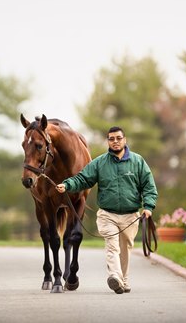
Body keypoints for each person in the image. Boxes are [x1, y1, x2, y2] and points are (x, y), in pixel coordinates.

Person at [56, 126, 158, 294]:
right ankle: (115, 277)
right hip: (107, 214)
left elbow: (149, 186)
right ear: (108, 141)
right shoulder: (100, 162)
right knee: (112, 246)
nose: (115, 141)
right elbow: (83, 178)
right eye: (111, 139)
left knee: (125, 249)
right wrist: (67, 184)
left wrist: (148, 207)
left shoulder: (138, 161)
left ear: (125, 140)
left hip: (130, 215)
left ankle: (123, 280)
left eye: (118, 138)